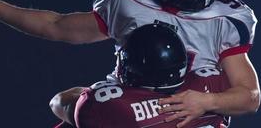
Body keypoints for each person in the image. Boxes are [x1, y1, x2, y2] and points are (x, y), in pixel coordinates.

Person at [0, 0, 260, 128]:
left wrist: (204, 102)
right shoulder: (128, 2)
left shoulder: (223, 18)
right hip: (131, 104)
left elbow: (249, 96)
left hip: (193, 107)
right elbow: (57, 26)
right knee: (72, 104)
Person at [74, 23, 230, 128]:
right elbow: (250, 100)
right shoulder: (212, 82)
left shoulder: (109, 103)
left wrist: (84, 93)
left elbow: (59, 102)